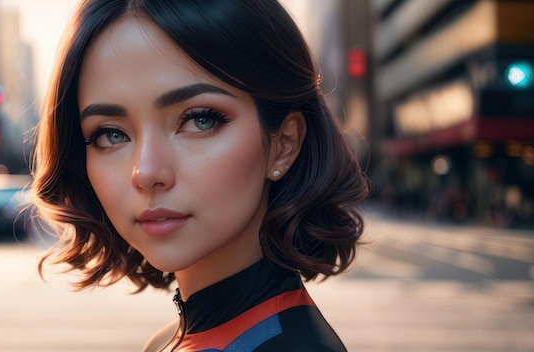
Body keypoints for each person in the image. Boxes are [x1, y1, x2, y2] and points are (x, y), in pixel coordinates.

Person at [29, 0, 372, 351]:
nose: (146, 172)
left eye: (199, 119)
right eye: (111, 134)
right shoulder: (167, 342)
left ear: (283, 143)